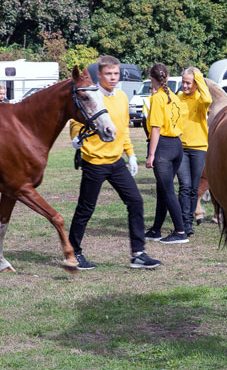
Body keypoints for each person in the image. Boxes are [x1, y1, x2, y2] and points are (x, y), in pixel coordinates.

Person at [68, 55, 161, 270]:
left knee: (136, 201)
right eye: (108, 74)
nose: (113, 77)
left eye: (116, 74)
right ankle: (74, 251)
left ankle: (138, 253)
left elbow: (123, 129)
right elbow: (76, 121)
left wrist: (131, 154)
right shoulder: (93, 96)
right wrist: (75, 138)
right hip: (94, 162)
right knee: (86, 209)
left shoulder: (121, 98)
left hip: (116, 161)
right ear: (99, 75)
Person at [144, 63, 189, 244]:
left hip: (163, 147)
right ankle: (156, 229)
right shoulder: (175, 98)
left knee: (168, 191)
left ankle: (180, 232)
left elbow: (156, 128)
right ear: (168, 78)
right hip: (177, 145)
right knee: (162, 190)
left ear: (152, 79)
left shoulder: (157, 99)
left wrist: (151, 154)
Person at [176, 67, 212, 237]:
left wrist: (198, 75)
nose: (184, 85)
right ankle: (183, 222)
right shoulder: (178, 98)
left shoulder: (200, 100)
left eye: (188, 83)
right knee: (184, 185)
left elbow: (207, 99)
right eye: (183, 82)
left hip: (198, 148)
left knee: (193, 188)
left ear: (196, 84)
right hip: (181, 148)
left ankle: (189, 222)